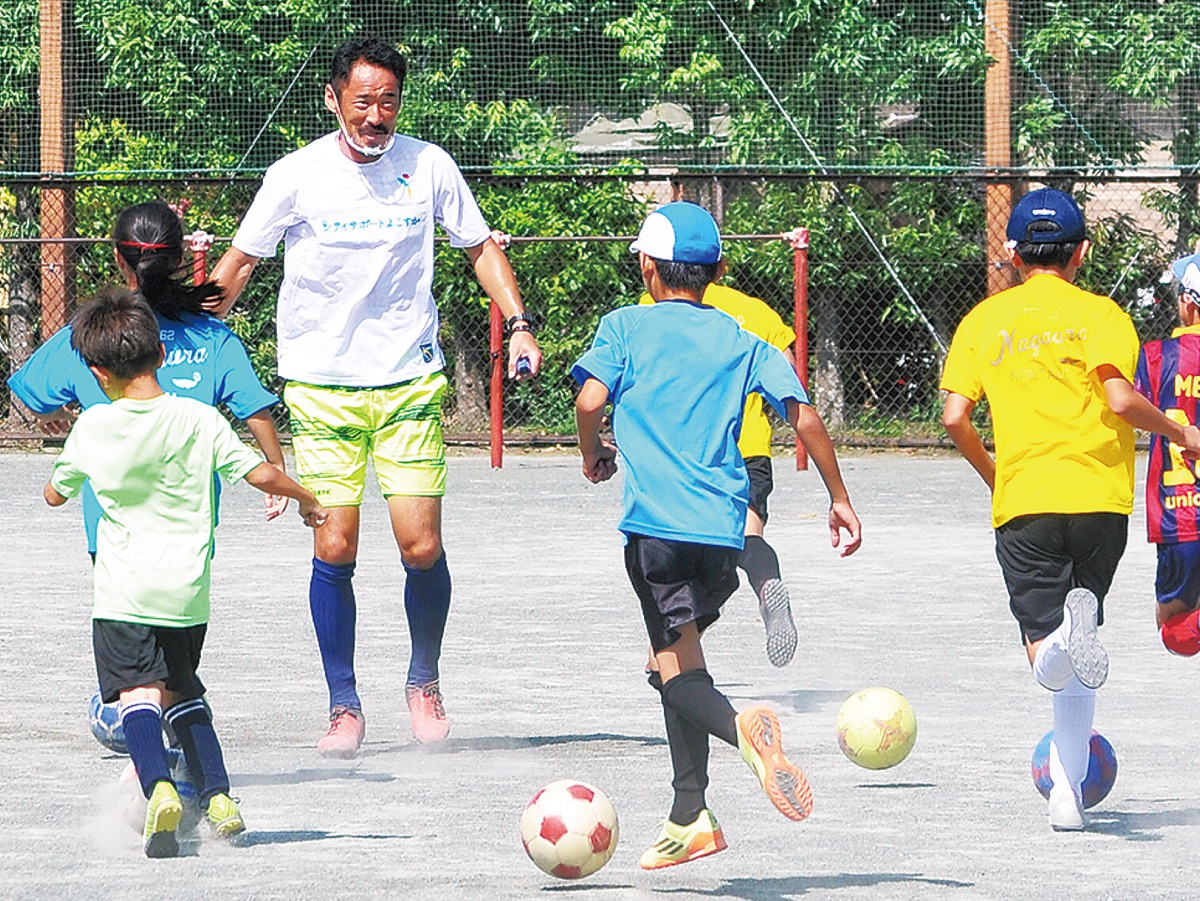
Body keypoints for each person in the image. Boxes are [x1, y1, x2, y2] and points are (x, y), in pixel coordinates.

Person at [208, 36, 541, 757]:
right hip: (321, 385)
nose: (375, 115)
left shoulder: (429, 166)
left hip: (408, 380)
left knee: (421, 545)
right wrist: (187, 333)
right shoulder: (296, 175)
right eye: (361, 101)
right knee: (336, 540)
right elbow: (239, 265)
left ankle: (424, 679)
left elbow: (480, 245)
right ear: (333, 100)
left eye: (387, 101)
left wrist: (519, 324)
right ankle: (343, 703)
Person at [573, 201, 862, 869]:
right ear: (718, 271)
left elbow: (590, 401)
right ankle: (689, 813)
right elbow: (806, 417)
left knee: (674, 669)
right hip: (724, 534)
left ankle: (742, 732)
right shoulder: (741, 336)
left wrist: (593, 451)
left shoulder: (625, 326)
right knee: (676, 662)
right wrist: (839, 498)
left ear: (647, 267)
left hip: (655, 532)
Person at [940, 188, 1200, 832]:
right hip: (1099, 503)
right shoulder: (1104, 313)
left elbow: (953, 416)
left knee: (1046, 653)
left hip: (1025, 501)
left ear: (1014, 251)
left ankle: (1062, 642)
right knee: (1082, 655)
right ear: (1082, 252)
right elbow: (1118, 399)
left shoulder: (982, 321)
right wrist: (1179, 431)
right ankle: (1068, 797)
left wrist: (994, 474)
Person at [43, 290, 327, 858]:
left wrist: (60, 479)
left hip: (122, 594)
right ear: (162, 357)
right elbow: (262, 476)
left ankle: (159, 791)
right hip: (187, 594)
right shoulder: (200, 420)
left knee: (137, 696)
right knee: (183, 693)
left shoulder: (93, 428)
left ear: (98, 372)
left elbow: (55, 494)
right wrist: (307, 499)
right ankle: (219, 798)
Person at [8, 199, 289, 557]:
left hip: (112, 534)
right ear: (178, 257)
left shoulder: (89, 332)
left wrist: (63, 416)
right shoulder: (213, 337)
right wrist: (276, 467)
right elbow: (254, 408)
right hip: (190, 532)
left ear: (117, 258)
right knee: (185, 614)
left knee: (116, 610)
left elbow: (35, 400)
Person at [639, 282, 799, 666]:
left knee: (684, 562)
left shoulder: (652, 305)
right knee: (748, 535)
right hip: (749, 447)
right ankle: (765, 585)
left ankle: (668, 659)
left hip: (688, 454)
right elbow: (788, 374)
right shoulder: (756, 310)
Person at [1134, 252, 1200, 655]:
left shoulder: (1157, 356)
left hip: (1179, 513)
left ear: (1189, 304)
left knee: (1175, 633)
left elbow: (1127, 407)